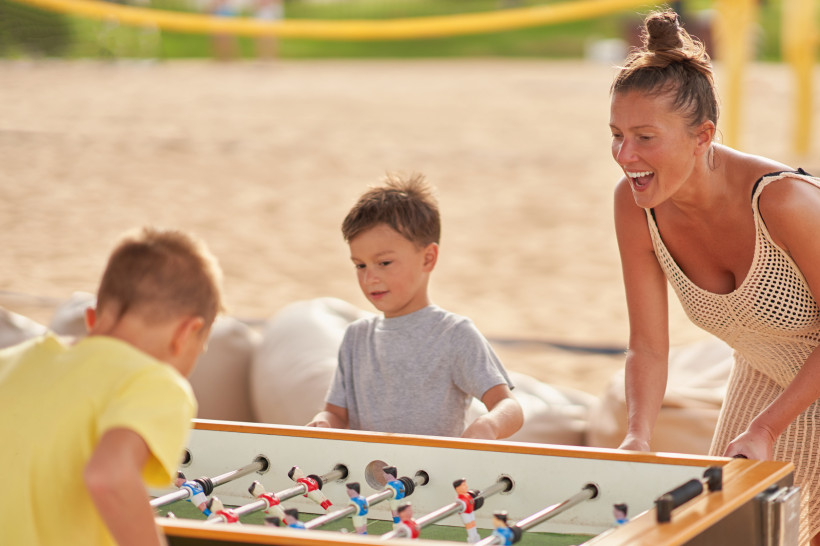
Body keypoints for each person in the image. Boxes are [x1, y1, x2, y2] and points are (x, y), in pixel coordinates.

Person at [609, 9, 820, 546]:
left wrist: (769, 428)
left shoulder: (785, 201)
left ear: (702, 135)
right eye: (616, 135)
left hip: (787, 395)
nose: (625, 156)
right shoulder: (635, 206)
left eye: (644, 137)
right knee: (728, 534)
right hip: (766, 377)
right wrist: (637, 434)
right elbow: (649, 347)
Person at [0, 226, 224, 546]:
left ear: (92, 319)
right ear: (186, 333)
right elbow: (109, 476)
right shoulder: (155, 382)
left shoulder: (8, 363)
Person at [307, 173, 523, 439]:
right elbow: (337, 414)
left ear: (428, 258)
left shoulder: (454, 334)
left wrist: (488, 424)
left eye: (384, 263)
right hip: (367, 479)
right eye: (360, 265)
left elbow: (509, 406)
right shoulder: (356, 338)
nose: (369, 277)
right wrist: (323, 421)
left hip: (432, 479)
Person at [454, 478, 480, 543]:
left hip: (471, 511)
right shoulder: (459, 500)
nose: (466, 486)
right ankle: (472, 539)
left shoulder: (468, 495)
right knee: (469, 525)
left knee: (473, 523)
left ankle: (476, 537)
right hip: (465, 513)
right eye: (463, 485)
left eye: (465, 484)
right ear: (457, 488)